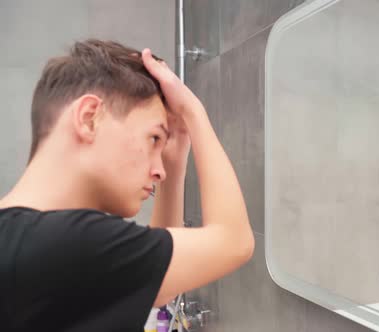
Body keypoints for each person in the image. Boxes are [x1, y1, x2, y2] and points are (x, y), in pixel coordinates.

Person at [0, 39, 254, 331]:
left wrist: (174, 157)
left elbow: (163, 289)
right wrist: (193, 112)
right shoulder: (72, 242)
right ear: (89, 118)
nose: (160, 172)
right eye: (154, 138)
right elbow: (234, 241)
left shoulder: (25, 241)